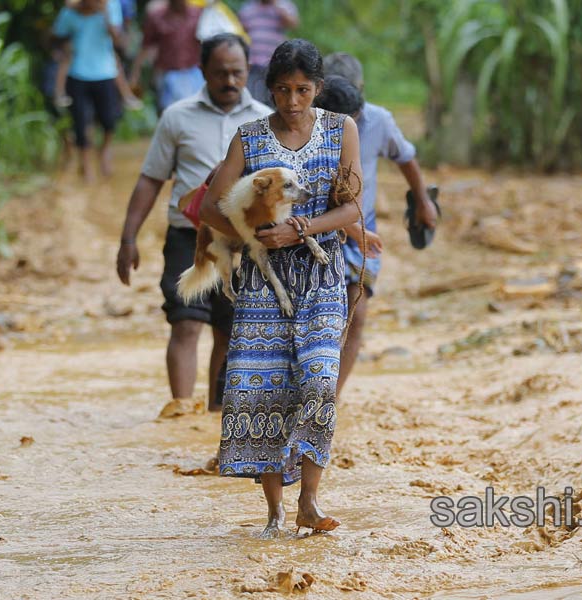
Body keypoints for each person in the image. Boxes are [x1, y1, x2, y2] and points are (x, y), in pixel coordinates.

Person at [200, 39, 363, 538]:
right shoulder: (248, 138)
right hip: (262, 286)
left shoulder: (342, 129)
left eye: (303, 90)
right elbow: (210, 207)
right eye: (282, 90)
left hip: (321, 277)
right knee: (260, 392)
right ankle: (274, 510)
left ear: (317, 89)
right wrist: (252, 230)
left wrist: (302, 228)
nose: (292, 102)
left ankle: (309, 501)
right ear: (269, 88)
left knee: (318, 382)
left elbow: (354, 209)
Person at [116, 34, 269, 416]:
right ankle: (182, 410)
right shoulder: (177, 116)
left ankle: (217, 411)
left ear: (249, 71)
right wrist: (128, 237)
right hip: (189, 236)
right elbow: (151, 178)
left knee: (230, 328)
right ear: (202, 71)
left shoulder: (267, 120)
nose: (230, 81)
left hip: (245, 241)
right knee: (185, 321)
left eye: (237, 73)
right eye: (220, 73)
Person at [322, 52, 439, 396]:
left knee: (356, 314)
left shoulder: (378, 120)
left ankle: (331, 398)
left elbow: (406, 159)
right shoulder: (305, 125)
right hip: (317, 229)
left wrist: (422, 201)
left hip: (360, 229)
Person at [51, 0, 127, 179]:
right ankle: (85, 165)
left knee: (109, 120)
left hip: (105, 72)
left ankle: (104, 151)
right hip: (77, 73)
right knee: (81, 121)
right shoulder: (70, 12)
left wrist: (105, 15)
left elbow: (118, 40)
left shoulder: (111, 6)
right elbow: (56, 36)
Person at [131, 0, 204, 115]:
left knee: (195, 115)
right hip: (166, 74)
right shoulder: (156, 16)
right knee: (169, 115)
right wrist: (135, 74)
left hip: (193, 73)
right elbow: (145, 47)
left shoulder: (199, 14)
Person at [237, 0, 299, 107]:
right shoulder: (248, 8)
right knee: (253, 99)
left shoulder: (284, 6)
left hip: (275, 64)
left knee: (275, 100)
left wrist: (276, 6)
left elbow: (293, 23)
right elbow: (239, 31)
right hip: (252, 63)